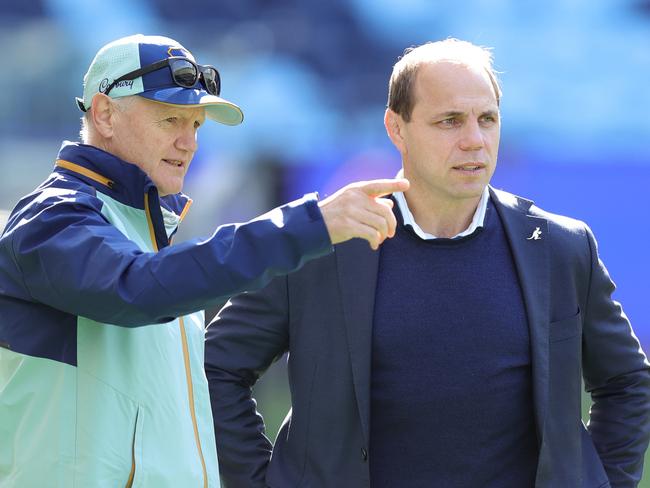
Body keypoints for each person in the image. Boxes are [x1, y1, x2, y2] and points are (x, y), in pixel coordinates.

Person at [205, 39, 650, 487]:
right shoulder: (321, 245)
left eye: (487, 119)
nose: (474, 140)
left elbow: (629, 383)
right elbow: (217, 367)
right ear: (396, 128)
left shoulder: (562, 247)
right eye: (449, 121)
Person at [0, 34, 408, 487]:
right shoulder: (52, 217)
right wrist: (309, 223)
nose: (188, 142)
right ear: (104, 114)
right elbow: (137, 288)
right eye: (171, 118)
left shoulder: (152, 236)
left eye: (196, 125)